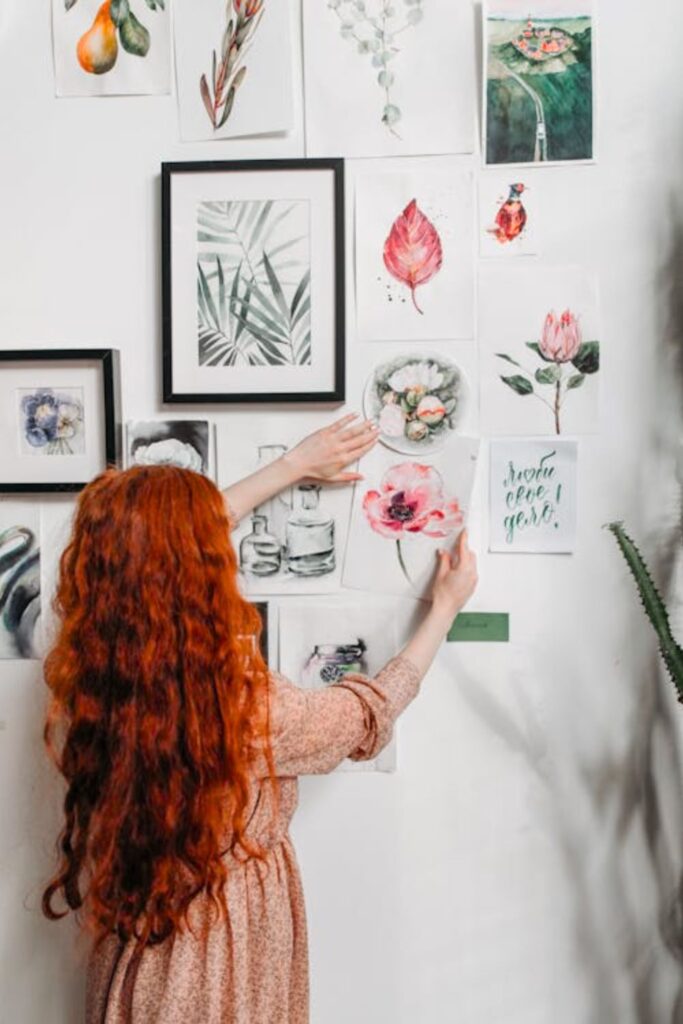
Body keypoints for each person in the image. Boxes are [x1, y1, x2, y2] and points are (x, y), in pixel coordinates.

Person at [42, 414, 478, 1024]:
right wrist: (444, 611)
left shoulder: (95, 666)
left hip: (141, 944)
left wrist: (293, 466)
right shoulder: (238, 707)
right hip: (218, 951)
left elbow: (154, 548)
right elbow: (365, 715)